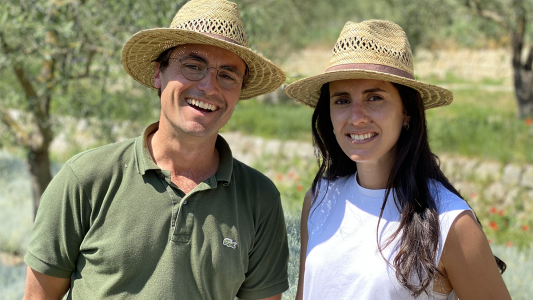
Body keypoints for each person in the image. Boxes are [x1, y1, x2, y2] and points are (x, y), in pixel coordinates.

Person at [23, 0, 289, 299]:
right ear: (157, 74)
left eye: (227, 75)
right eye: (192, 66)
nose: (209, 86)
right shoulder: (86, 179)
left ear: (239, 91)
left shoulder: (259, 198)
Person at [285, 20, 511, 300]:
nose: (356, 117)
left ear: (407, 112)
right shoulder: (319, 199)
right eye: (342, 100)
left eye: (374, 98)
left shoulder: (449, 222)